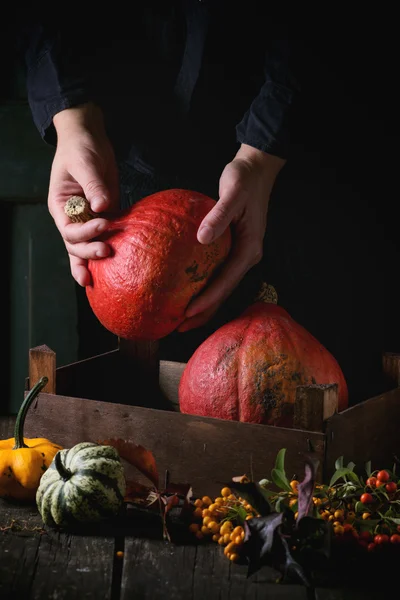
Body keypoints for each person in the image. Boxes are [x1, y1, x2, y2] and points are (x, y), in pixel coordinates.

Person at [18, 7, 299, 360]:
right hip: (120, 159)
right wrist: (73, 120)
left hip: (279, 168)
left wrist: (261, 157)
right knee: (124, 386)